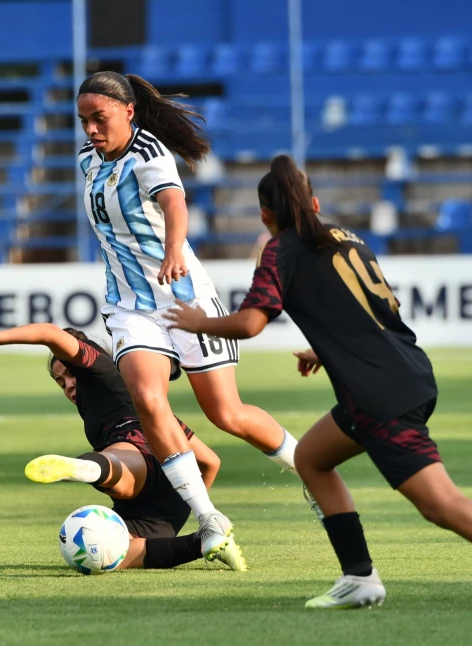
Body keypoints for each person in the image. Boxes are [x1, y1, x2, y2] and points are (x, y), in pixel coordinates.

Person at [163, 155, 472, 614]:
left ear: (265, 215)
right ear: (314, 202)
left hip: (379, 395)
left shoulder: (280, 251)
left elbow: (251, 323)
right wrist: (326, 350)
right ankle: (359, 577)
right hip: (403, 374)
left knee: (439, 503)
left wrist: (202, 321)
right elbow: (377, 308)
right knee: (312, 459)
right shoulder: (348, 239)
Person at [75, 71, 300, 566]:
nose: (90, 129)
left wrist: (174, 249)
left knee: (227, 415)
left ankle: (306, 466)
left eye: (100, 118)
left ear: (128, 112)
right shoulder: (87, 161)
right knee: (147, 398)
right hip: (130, 306)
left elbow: (174, 204)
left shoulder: (148, 153)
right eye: (84, 121)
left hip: (186, 301)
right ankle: (208, 516)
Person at [0, 325, 240, 570]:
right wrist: (195, 505)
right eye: (61, 382)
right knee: (114, 555)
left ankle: (92, 468)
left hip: (136, 458)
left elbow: (50, 333)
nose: (69, 385)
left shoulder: (102, 368)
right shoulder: (142, 398)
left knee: (123, 461)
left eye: (69, 374)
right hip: (163, 507)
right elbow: (210, 462)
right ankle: (206, 543)